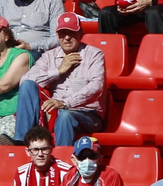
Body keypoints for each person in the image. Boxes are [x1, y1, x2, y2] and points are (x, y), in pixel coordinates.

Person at [13, 12, 106, 147]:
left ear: (81, 33)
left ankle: (62, 160)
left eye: (71, 33)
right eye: (63, 33)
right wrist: (59, 70)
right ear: (57, 36)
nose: (67, 38)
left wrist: (64, 102)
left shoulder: (94, 54)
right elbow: (25, 79)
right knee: (28, 85)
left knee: (65, 116)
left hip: (87, 114)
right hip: (56, 113)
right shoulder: (49, 56)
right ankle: (23, 143)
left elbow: (97, 86)